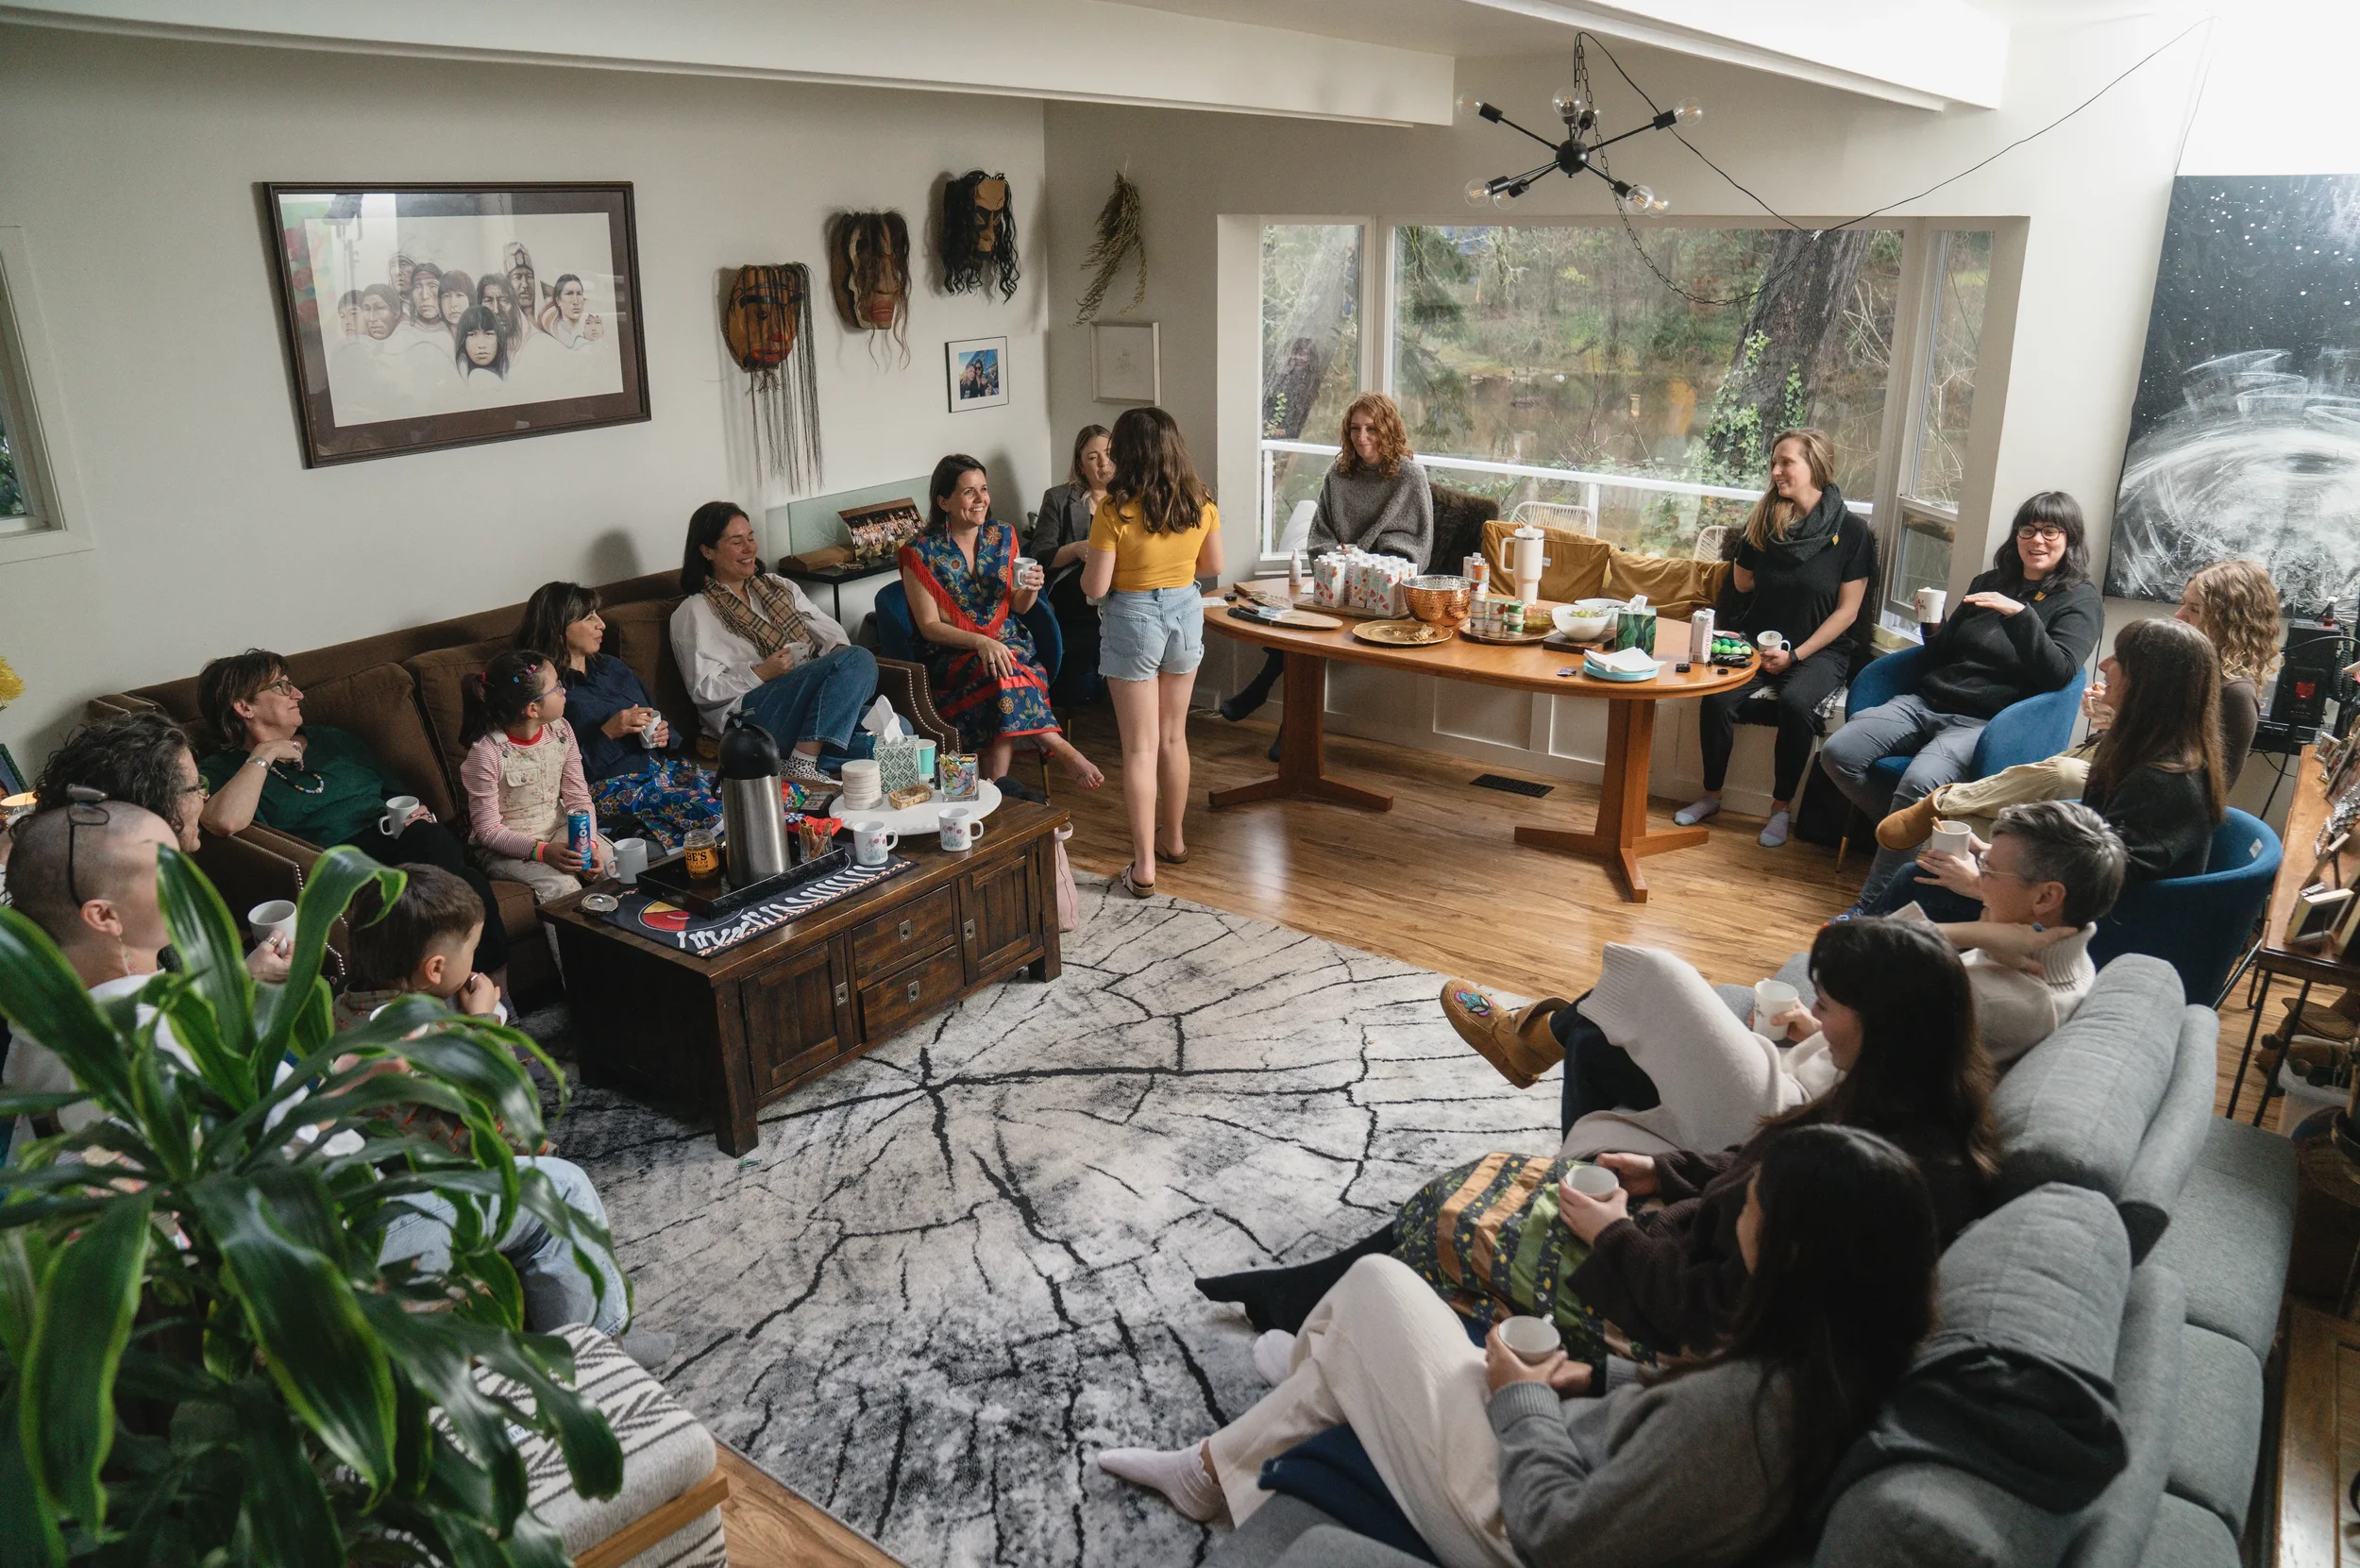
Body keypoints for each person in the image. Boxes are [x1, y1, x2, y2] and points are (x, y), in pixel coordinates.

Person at [1104, 1124, 1939, 1568]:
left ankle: (1281, 1407)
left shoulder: (1744, 1420)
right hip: (1568, 1453)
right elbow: (1670, 1423)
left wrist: (1525, 1398)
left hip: (1513, 1523)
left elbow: (1564, 1536)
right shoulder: (1834, 1350)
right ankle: (1287, 1406)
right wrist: (1597, 1374)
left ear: (1794, 1251)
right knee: (1368, 1311)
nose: (1737, 1217)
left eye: (1752, 1207)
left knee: (1373, 1287)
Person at [1196, 919, 1993, 1359]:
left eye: (1833, 1003)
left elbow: (1723, 1314)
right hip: (1667, 1244)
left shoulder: (1895, 1172)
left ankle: (1322, 1319)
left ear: (1888, 1023)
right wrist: (1664, 1171)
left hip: (1654, 1310)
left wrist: (1618, 1235)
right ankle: (1306, 1297)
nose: (1819, 1015)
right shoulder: (1885, 1098)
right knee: (1491, 1173)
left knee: (1449, 1219)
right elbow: (1747, 1167)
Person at [1820, 491, 2103, 914]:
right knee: (1838, 752)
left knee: (1919, 783)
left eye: (2051, 531)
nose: (2037, 540)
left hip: (1984, 722)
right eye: (2028, 529)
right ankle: (1918, 830)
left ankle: (1872, 907)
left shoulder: (2079, 599)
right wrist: (1931, 624)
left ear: (2069, 540)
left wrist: (2020, 617)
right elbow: (1942, 654)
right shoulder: (1991, 581)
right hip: (1926, 700)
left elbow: (2060, 673)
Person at [193, 648, 510, 977]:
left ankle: (478, 997)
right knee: (468, 885)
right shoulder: (224, 770)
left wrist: (418, 813)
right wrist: (266, 751)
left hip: (399, 844)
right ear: (244, 707)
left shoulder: (332, 740)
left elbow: (398, 794)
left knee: (443, 853)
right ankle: (486, 1006)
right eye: (283, 687)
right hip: (340, 868)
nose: (298, 694)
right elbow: (223, 821)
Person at [1910, 616, 2225, 909]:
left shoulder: (2160, 783)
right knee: (1924, 876)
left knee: (1919, 884)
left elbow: (2096, 894)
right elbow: (2089, 857)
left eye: (2118, 659)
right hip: (2072, 901)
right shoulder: (2138, 753)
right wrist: (1999, 858)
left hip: (2102, 933)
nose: (2103, 665)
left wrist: (1981, 886)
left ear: (2149, 683)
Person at [1676, 429, 1874, 848]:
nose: (1776, 471)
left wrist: (1795, 653)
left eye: (1787, 462)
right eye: (1774, 462)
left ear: (1814, 466)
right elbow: (1743, 584)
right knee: (1716, 697)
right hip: (1756, 640)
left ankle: (1780, 810)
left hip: (1819, 649)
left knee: (1797, 703)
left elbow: (1848, 611)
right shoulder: (1764, 521)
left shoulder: (1852, 532)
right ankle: (1711, 795)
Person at [1081, 406, 1225, 897]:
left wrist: (1093, 561)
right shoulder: (1199, 501)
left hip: (1133, 619)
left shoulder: (1114, 510)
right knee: (1173, 738)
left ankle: (1143, 867)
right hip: (1186, 611)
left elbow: (1096, 587)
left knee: (1139, 748)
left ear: (1127, 452)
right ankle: (1175, 840)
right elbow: (1213, 566)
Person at [31, 712, 294, 981]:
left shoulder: (74, 863)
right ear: (156, 802)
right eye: (196, 787)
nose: (206, 795)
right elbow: (167, 1012)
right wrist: (247, 977)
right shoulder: (122, 904)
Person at [1222, 393, 1433, 724]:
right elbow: (1319, 534)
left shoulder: (1409, 477)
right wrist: (1339, 558)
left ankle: (1273, 706)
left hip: (1382, 591)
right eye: (1355, 429)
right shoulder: (1339, 474)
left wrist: (1365, 558)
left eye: (1372, 429)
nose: (1362, 438)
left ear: (1389, 430)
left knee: (1317, 633)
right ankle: (1288, 726)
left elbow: (1417, 547)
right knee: (1302, 624)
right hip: (1337, 583)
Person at [899, 455, 1104, 787]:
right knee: (1001, 675)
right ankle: (1056, 745)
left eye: (984, 489)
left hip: (1009, 643)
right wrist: (982, 642)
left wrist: (1030, 588)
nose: (981, 500)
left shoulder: (1003, 536)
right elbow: (929, 626)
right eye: (969, 492)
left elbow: (1020, 608)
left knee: (1004, 671)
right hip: (952, 653)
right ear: (944, 501)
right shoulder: (919, 552)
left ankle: (997, 787)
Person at [668, 501, 879, 780]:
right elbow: (703, 689)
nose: (749, 549)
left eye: (751, 538)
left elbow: (827, 629)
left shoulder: (778, 586)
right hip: (750, 716)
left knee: (895, 731)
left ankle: (796, 755)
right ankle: (803, 762)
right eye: (736, 542)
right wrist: (760, 673)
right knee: (859, 657)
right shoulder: (693, 611)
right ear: (707, 551)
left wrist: (836, 655)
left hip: (802, 699)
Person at [514, 581, 721, 852]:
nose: (602, 625)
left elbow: (659, 718)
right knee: (708, 809)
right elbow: (553, 774)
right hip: (610, 788)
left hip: (661, 772)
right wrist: (608, 733)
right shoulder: (548, 694)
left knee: (747, 789)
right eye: (589, 618)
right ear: (559, 630)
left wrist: (664, 735)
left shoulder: (613, 668)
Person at [461, 649, 614, 905]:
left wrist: (590, 844)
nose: (564, 691)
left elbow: (578, 797)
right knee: (563, 887)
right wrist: (542, 852)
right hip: (508, 848)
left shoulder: (561, 730)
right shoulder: (486, 754)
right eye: (556, 687)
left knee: (615, 865)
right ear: (532, 708)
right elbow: (487, 830)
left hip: (558, 828)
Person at [1026, 425, 1113, 700]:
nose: (1104, 463)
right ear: (1080, 465)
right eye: (1093, 457)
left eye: (1109, 454)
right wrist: (1075, 549)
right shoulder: (1060, 498)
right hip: (1075, 589)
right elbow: (1040, 554)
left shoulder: (1131, 498)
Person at [2176, 558, 2276, 787]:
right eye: (2183, 604)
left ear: (2229, 622)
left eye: (2195, 609)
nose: (2179, 615)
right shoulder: (2187, 668)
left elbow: (2210, 791)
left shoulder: (2235, 694)